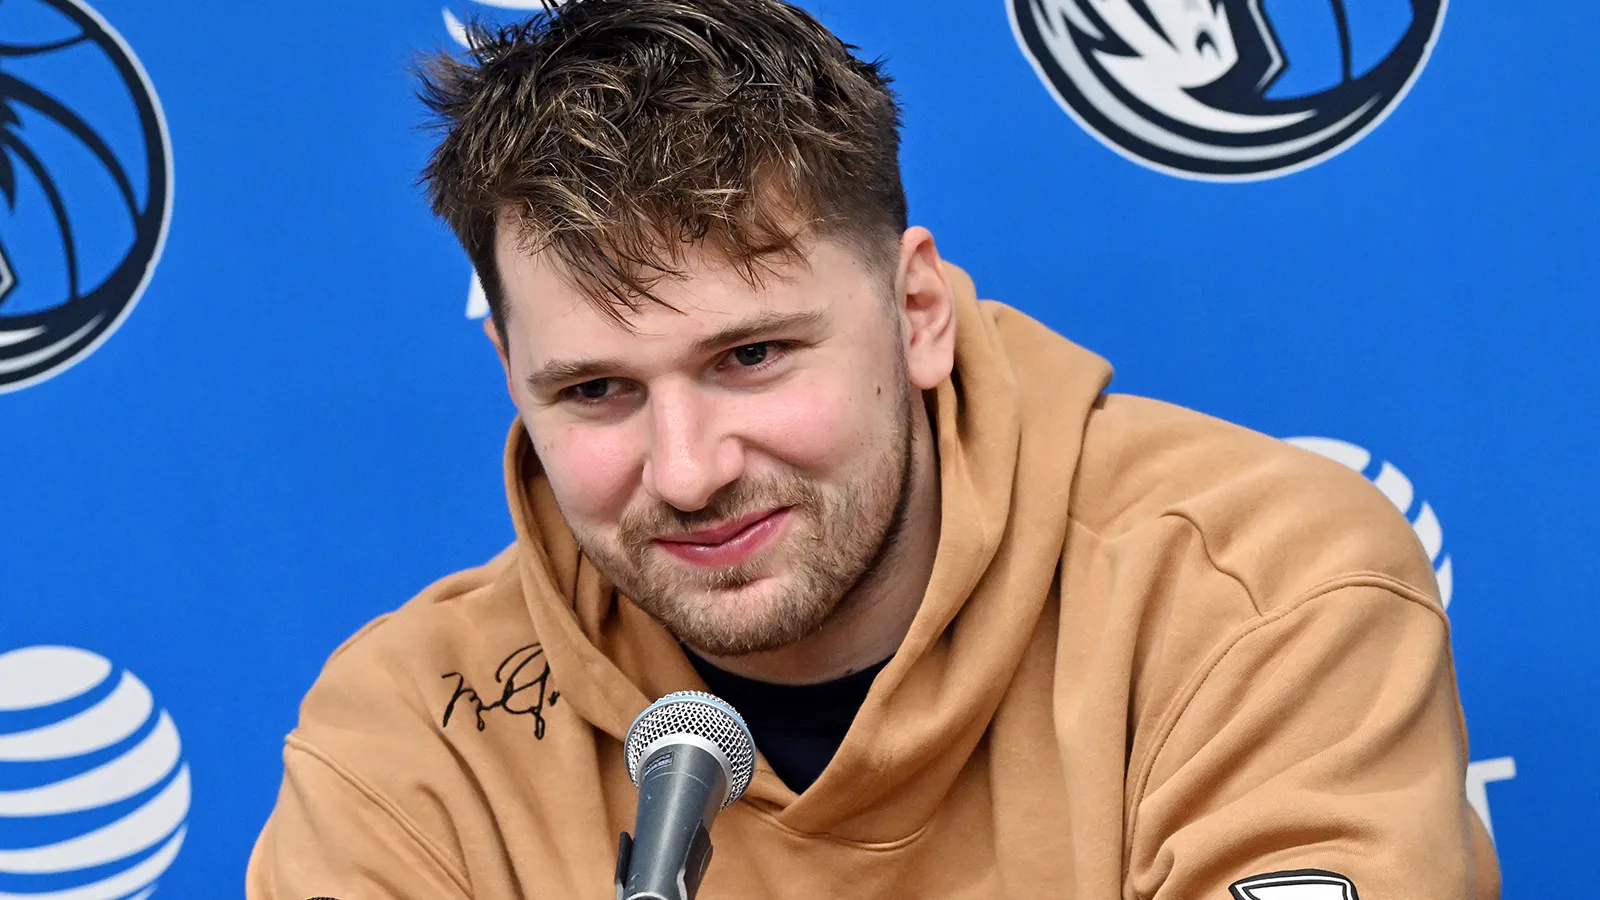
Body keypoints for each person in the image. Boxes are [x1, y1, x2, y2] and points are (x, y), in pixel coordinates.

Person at [245, 1, 1500, 897]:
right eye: (596, 391)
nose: (686, 471)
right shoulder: (409, 735)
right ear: (512, 379)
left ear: (915, 313)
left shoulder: (1259, 589)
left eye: (751, 357)